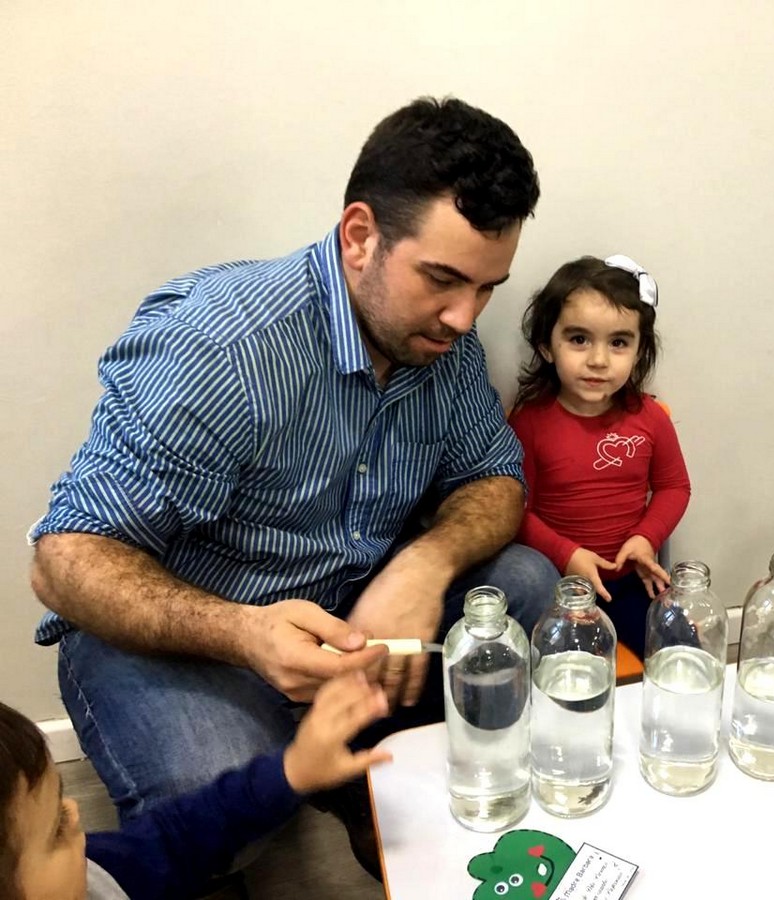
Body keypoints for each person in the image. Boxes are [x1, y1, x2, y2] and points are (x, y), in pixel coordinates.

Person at [27, 96, 558, 879]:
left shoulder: (443, 342)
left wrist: (426, 564)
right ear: (359, 236)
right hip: (189, 638)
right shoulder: (217, 344)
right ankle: (298, 772)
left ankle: (350, 767)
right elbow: (65, 561)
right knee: (211, 793)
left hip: (344, 617)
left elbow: (495, 479)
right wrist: (245, 633)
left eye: (486, 288)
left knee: (525, 584)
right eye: (442, 279)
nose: (462, 316)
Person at [0, 672, 393, 900]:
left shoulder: (98, 871)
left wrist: (290, 772)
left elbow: (180, 836)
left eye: (61, 797)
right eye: (55, 830)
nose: (73, 812)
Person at [508, 255, 691, 658]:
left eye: (618, 343)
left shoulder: (650, 418)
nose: (598, 360)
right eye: (579, 339)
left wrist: (646, 537)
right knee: (574, 675)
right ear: (547, 346)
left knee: (685, 653)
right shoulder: (530, 423)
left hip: (632, 580)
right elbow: (516, 512)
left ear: (639, 351)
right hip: (561, 587)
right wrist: (567, 555)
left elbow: (674, 487)